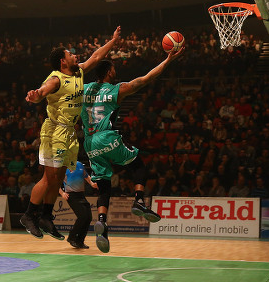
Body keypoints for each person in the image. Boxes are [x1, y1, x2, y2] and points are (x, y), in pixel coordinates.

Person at [20, 26, 122, 241]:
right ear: (62, 62)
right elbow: (42, 92)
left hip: (69, 133)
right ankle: (29, 215)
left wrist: (112, 42)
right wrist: (35, 96)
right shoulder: (56, 78)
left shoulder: (78, 72)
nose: (75, 55)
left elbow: (95, 57)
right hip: (54, 131)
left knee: (57, 178)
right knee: (49, 178)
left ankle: (47, 217)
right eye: (70, 54)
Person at [81, 45, 185, 253]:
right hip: (106, 136)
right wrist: (168, 60)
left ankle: (101, 222)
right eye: (113, 68)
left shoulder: (82, 90)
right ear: (109, 71)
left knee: (103, 186)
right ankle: (138, 201)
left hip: (89, 143)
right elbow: (146, 79)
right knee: (138, 164)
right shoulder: (115, 89)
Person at [59, 161, 97, 249]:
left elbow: (86, 176)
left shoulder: (79, 164)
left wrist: (92, 183)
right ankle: (71, 237)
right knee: (82, 216)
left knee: (88, 217)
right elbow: (56, 182)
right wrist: (62, 193)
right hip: (71, 195)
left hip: (81, 195)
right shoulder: (63, 167)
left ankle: (80, 241)